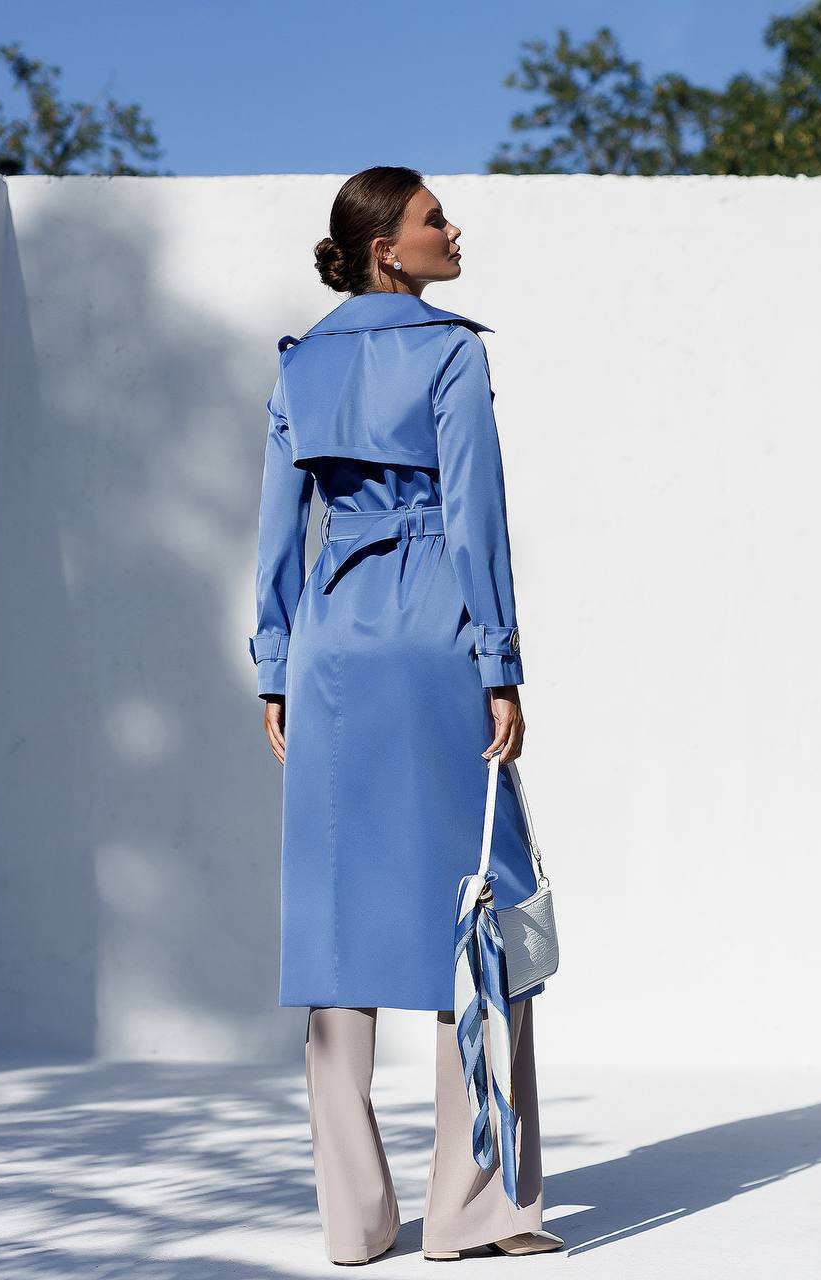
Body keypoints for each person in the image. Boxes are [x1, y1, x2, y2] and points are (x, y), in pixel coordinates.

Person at [249, 166, 563, 1265]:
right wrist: (501, 660)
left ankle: (355, 1222)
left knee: (335, 920)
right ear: (387, 247)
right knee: (482, 900)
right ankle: (475, 1212)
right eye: (435, 218)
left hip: (332, 638)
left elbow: (277, 525)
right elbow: (476, 515)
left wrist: (276, 664)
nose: (453, 228)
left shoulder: (300, 362)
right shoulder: (450, 351)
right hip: (435, 631)